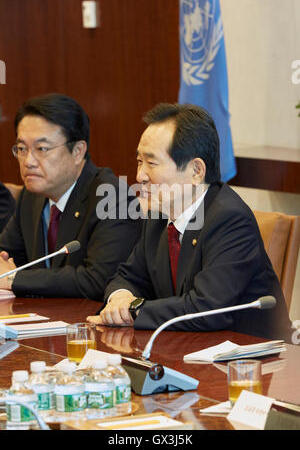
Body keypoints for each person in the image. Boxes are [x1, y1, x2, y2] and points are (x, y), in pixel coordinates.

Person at [87, 102, 292, 342]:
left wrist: (134, 310)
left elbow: (207, 308)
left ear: (196, 171)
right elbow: (128, 276)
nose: (140, 176)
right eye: (139, 161)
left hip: (250, 361)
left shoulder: (229, 219)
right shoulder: (160, 215)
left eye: (151, 163)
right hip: (186, 347)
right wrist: (120, 298)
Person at [0, 93, 142, 300]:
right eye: (22, 149)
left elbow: (98, 280)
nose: (28, 161)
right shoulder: (31, 197)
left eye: (42, 149)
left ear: (77, 151)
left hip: (89, 326)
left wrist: (14, 279)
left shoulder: (111, 197)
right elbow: (6, 252)